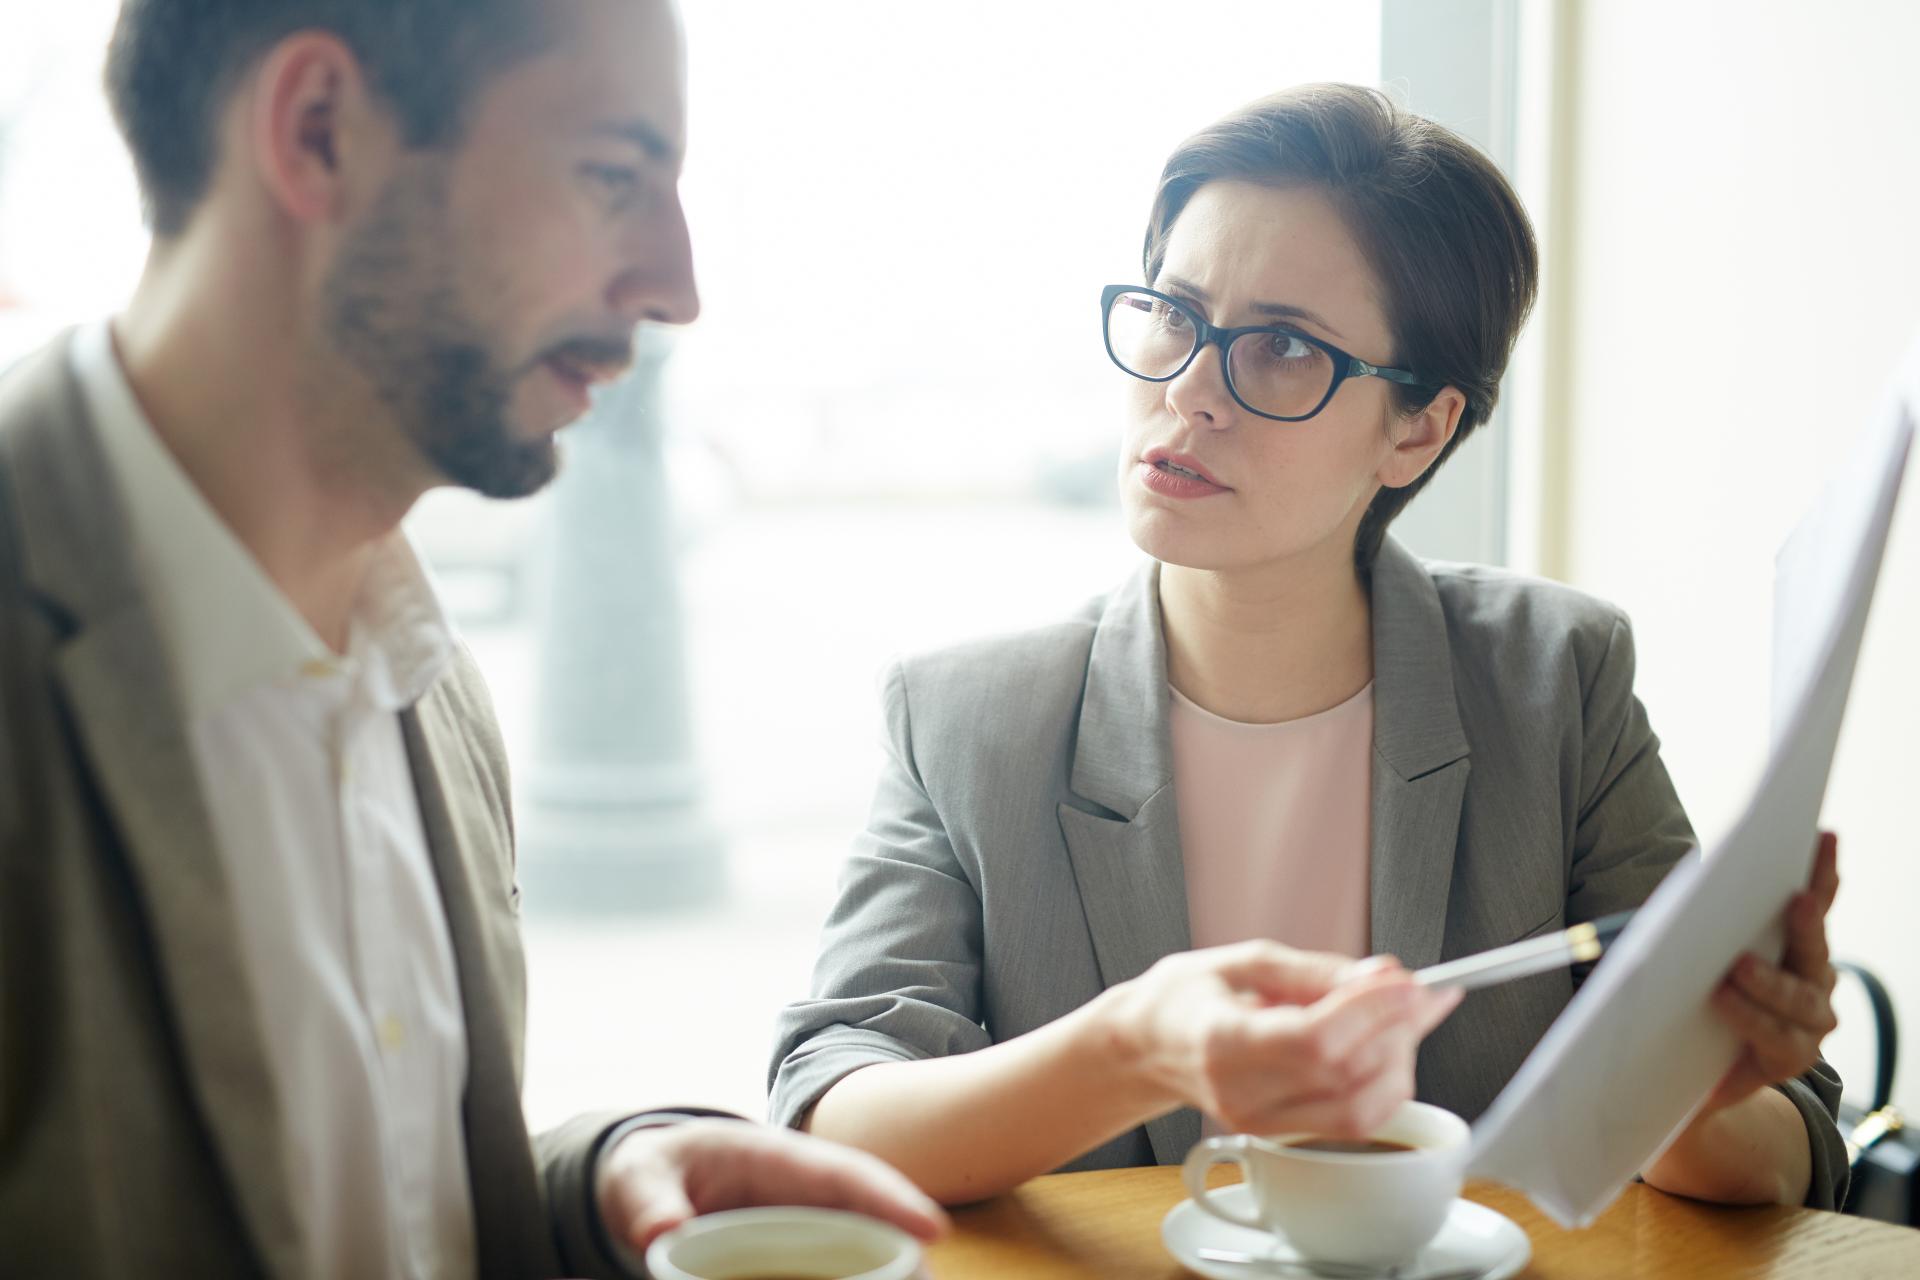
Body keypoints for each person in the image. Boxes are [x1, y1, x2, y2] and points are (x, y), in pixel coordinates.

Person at [769, 83, 1850, 1211]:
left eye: (1281, 345)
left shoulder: (1554, 681)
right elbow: (836, 1109)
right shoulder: (967, 718)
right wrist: (1132, 1048)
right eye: (1174, 313)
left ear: (1419, 426)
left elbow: (1783, 1148)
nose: (1189, 389)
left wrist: (1693, 1093)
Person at [0, 1, 946, 1275]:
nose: (677, 289)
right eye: (613, 175)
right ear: (319, 132)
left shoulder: (423, 678)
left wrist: (597, 1177)